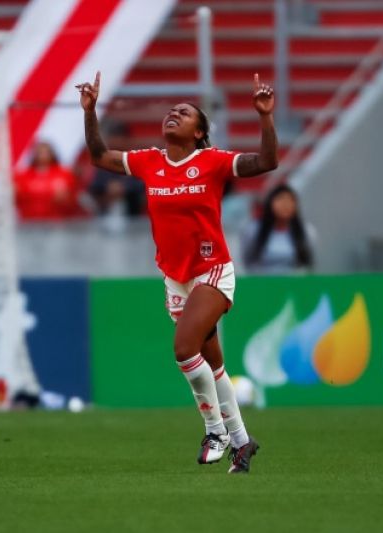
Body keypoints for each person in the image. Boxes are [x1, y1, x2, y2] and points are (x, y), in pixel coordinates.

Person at [78, 71, 277, 473]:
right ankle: (242, 441)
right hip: (175, 277)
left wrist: (265, 118)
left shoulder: (212, 162)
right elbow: (100, 157)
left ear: (200, 131)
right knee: (213, 364)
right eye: (172, 111)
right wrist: (90, 112)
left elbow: (267, 162)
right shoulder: (150, 161)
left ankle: (215, 430)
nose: (174, 114)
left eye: (184, 113)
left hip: (212, 272)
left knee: (183, 349)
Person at [243, 183, 315, 273]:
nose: (285, 205)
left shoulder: (305, 231)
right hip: (263, 283)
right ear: (270, 203)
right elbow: (247, 261)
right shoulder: (254, 230)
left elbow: (308, 264)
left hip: (293, 284)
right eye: (280, 199)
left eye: (290, 200)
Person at [13, 140, 81, 221]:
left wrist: (66, 198)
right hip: (29, 221)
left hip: (56, 221)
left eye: (46, 152)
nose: (43, 155)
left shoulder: (65, 174)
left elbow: (74, 199)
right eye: (40, 152)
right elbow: (16, 199)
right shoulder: (22, 175)